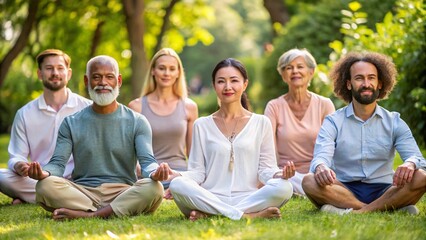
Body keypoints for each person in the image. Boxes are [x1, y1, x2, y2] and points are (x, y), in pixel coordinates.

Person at [27, 55, 173, 220]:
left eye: (109, 77)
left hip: (122, 191)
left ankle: (89, 215)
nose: (103, 82)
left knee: (154, 188)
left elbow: (147, 162)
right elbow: (57, 164)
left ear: (118, 81)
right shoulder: (70, 122)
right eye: (96, 77)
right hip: (83, 192)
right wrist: (44, 173)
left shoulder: (137, 121)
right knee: (45, 186)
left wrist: (155, 173)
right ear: (86, 81)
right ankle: (114, 211)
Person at [168, 58, 295, 221]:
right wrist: (177, 175)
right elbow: (197, 173)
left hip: (248, 198)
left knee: (285, 187)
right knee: (178, 185)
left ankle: (212, 214)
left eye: (234, 80)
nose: (228, 87)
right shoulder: (202, 125)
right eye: (221, 81)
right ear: (214, 86)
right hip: (210, 197)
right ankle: (246, 216)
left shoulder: (261, 122)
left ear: (245, 84)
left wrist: (280, 174)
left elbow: (266, 169)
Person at [302, 52, 426, 215]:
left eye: (371, 78)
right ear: (348, 84)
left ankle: (353, 211)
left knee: (422, 176)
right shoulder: (333, 121)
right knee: (309, 180)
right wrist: (321, 167)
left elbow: (417, 158)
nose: (366, 83)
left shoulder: (394, 121)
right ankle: (389, 207)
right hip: (344, 189)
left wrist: (409, 164)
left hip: (386, 188)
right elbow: (321, 156)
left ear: (380, 83)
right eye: (359, 78)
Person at [0, 49, 92, 205]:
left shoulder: (87, 108)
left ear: (68, 74)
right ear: (40, 74)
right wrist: (19, 165)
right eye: (49, 68)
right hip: (39, 179)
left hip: (79, 180)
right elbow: (16, 154)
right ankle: (49, 195)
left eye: (60, 68)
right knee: (1, 176)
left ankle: (38, 197)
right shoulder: (24, 114)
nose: (55, 72)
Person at [264, 48, 335, 196]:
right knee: (276, 182)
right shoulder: (274, 106)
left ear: (311, 72)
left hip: (318, 172)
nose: (295, 71)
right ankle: (309, 191)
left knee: (333, 179)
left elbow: (333, 145)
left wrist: (323, 169)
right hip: (287, 175)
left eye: (300, 66)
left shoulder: (324, 104)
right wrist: (277, 173)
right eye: (289, 68)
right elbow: (268, 148)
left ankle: (311, 190)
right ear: (283, 75)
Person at [128, 48, 198, 193]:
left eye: (172, 69)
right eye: (162, 68)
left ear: (178, 73)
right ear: (153, 71)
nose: (167, 73)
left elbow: (193, 154)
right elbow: (129, 153)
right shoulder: (136, 107)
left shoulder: (189, 107)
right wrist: (144, 172)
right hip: (148, 176)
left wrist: (193, 178)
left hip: (179, 176)